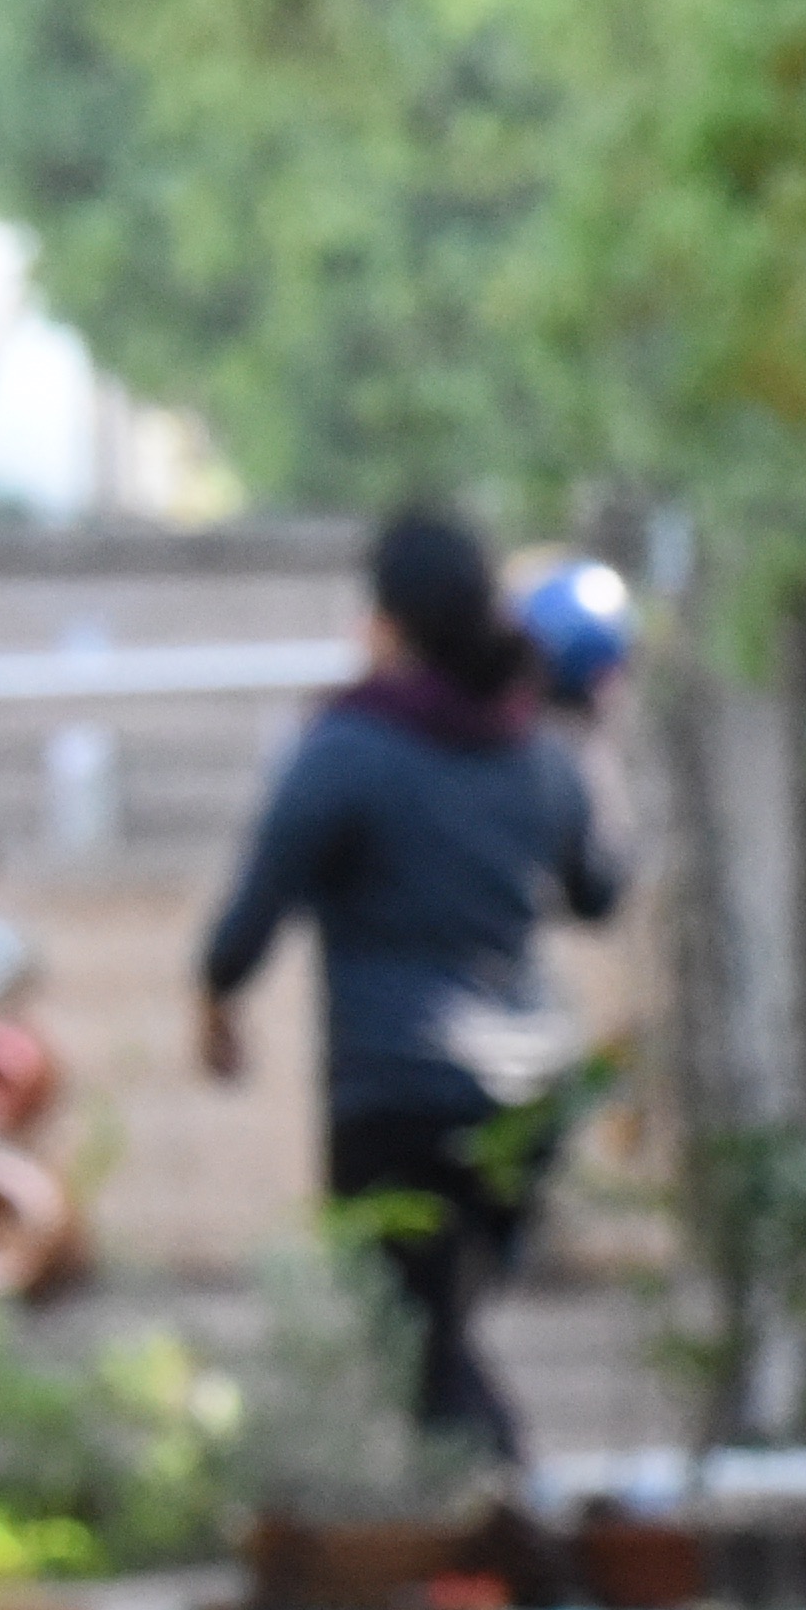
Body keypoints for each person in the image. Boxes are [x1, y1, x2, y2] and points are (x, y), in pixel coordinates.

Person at [197, 513, 629, 1462]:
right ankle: (483, 1516)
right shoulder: (537, 752)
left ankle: (513, 1511)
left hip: (396, 1099)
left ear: (386, 624)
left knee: (423, 1349)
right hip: (525, 1109)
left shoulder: (347, 748)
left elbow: (253, 913)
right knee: (436, 1334)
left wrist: (216, 1006)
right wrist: (597, 739)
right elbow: (600, 893)